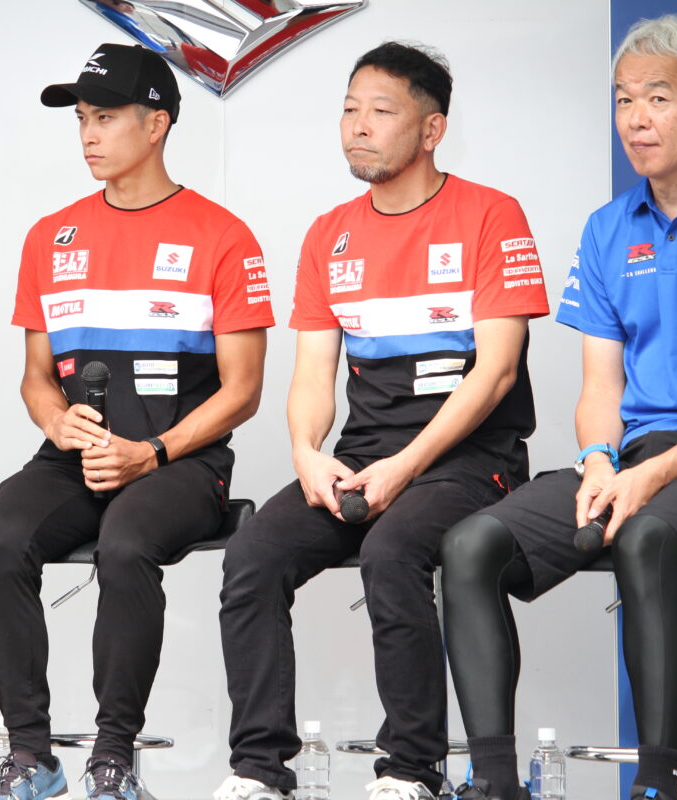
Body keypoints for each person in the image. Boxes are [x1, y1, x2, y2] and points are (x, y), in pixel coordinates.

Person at [214, 42, 550, 800]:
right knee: (254, 554)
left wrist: (406, 466)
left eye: (380, 111)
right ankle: (260, 769)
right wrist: (306, 451)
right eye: (348, 109)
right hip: (364, 457)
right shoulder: (328, 233)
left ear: (432, 130)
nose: (357, 127)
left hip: (471, 461)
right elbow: (312, 376)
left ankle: (410, 769)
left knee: (392, 550)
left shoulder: (491, 215)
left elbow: (496, 371)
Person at [440, 15, 677, 800]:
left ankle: (659, 784)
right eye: (623, 100)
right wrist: (600, 460)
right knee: (470, 545)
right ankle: (495, 782)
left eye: (658, 98)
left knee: (646, 538)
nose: (636, 119)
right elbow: (602, 388)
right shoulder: (609, 229)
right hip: (637, 456)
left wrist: (657, 474)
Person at [0, 43, 274, 800]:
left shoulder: (223, 235)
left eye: (105, 117)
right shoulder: (51, 236)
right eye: (81, 118)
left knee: (127, 542)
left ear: (157, 123)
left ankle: (113, 758)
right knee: (0, 541)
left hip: (181, 460)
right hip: (76, 457)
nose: (88, 135)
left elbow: (243, 391)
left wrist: (153, 452)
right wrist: (57, 422)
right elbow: (36, 376)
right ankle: (31, 756)